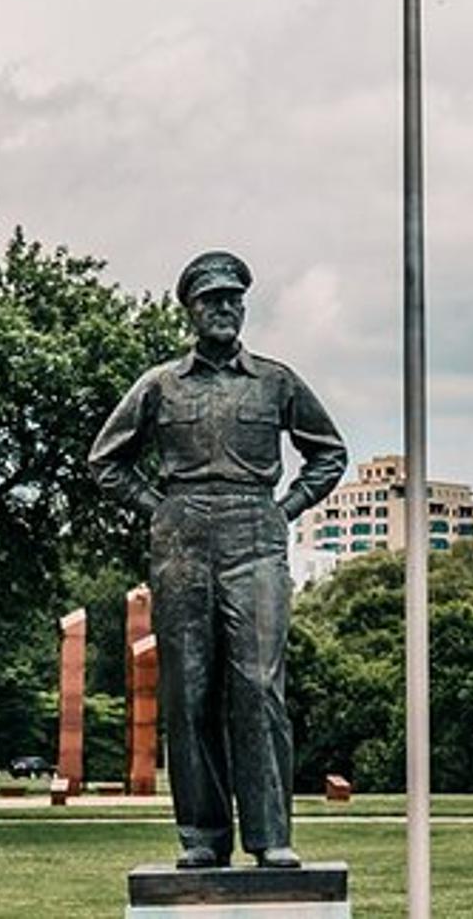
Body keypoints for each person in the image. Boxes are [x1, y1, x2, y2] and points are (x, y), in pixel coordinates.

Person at [89, 251, 347, 869]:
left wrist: (286, 508)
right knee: (190, 691)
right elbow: (106, 460)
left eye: (234, 298)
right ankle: (202, 837)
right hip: (180, 538)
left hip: (255, 533)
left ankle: (270, 838)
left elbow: (328, 453)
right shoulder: (160, 385)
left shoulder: (276, 381)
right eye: (212, 300)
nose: (225, 308)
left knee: (259, 686)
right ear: (191, 310)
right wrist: (157, 507)